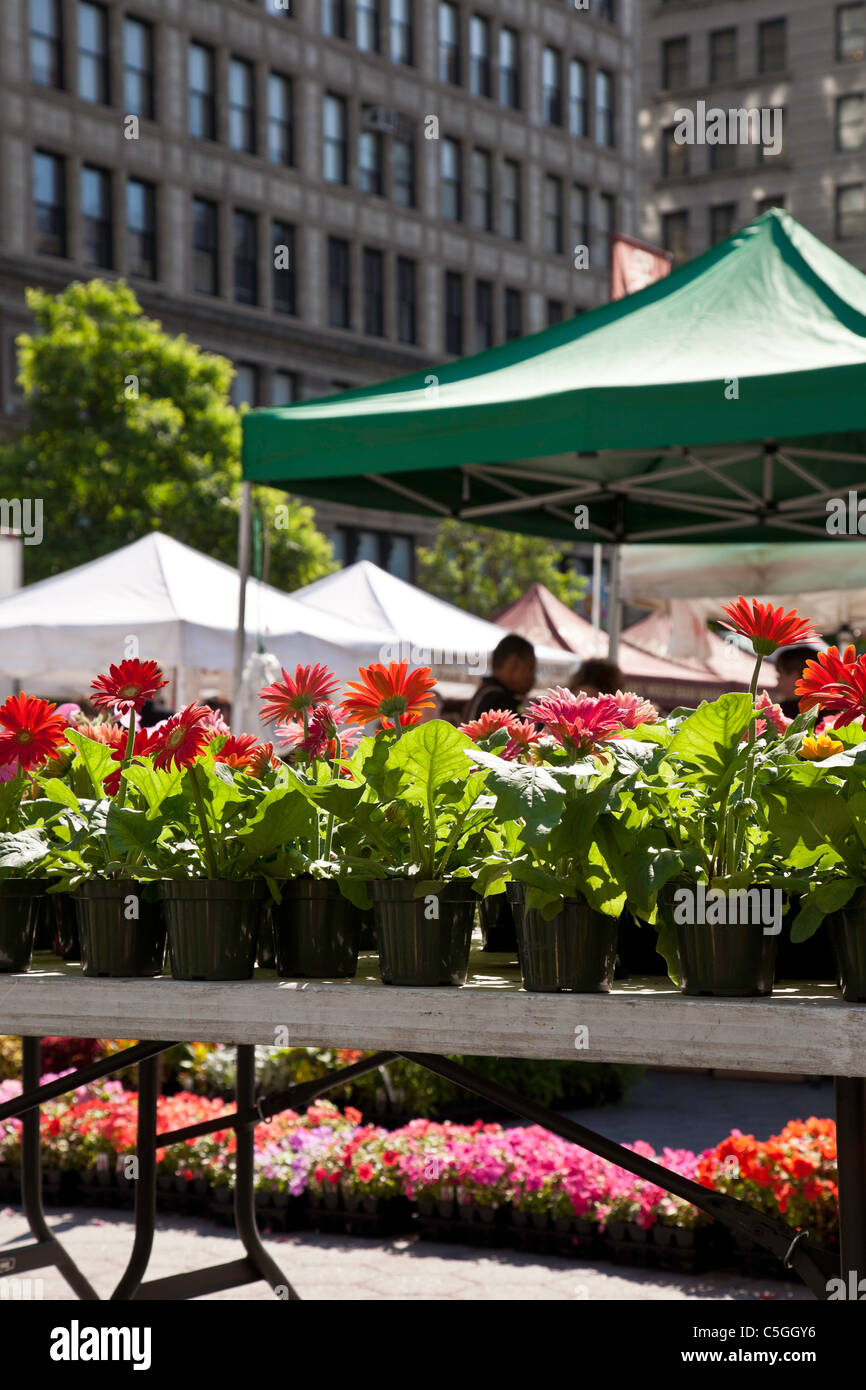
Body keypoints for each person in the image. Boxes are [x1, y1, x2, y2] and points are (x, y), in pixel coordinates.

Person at [462, 633, 536, 721]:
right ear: (513, 663)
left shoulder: (486, 693)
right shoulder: (497, 699)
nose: (533, 678)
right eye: (530, 668)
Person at [774, 644, 822, 720]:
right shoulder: (830, 707)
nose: (777, 684)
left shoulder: (782, 712)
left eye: (779, 676)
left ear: (794, 676)